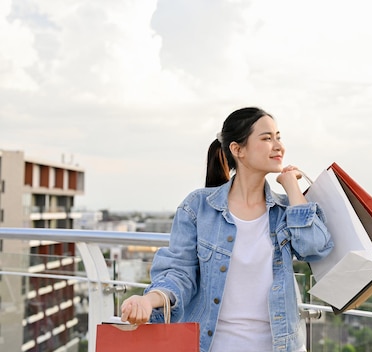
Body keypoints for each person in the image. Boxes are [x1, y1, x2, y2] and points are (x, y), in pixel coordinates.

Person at [120, 107, 334, 352]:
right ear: (237, 149)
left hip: (281, 346)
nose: (278, 146)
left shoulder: (286, 210)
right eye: (266, 138)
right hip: (213, 345)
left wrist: (292, 188)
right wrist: (148, 300)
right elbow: (180, 273)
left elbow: (315, 248)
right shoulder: (198, 207)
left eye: (278, 137)